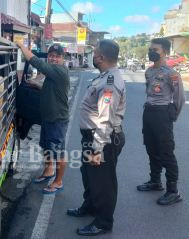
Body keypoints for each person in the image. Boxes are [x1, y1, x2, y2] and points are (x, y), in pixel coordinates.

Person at [67, 39, 126, 236]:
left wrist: (97, 148)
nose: (93, 55)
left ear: (100, 57)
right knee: (89, 176)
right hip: (91, 137)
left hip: (103, 140)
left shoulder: (110, 82)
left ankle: (103, 222)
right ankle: (90, 206)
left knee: (103, 183)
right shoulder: (103, 77)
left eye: (95, 52)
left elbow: (106, 118)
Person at [136, 38, 185, 205]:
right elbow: (149, 91)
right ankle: (155, 181)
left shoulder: (172, 74)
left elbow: (180, 98)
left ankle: (173, 191)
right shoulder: (148, 71)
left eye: (155, 50)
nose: (151, 52)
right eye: (150, 49)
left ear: (165, 52)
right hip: (148, 112)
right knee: (151, 148)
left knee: (166, 152)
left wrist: (172, 116)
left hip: (162, 115)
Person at [17, 43, 70, 194]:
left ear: (62, 59)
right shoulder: (53, 75)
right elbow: (52, 91)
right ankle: (49, 170)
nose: (53, 59)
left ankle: (58, 182)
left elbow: (36, 62)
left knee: (58, 151)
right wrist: (36, 85)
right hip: (47, 117)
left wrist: (21, 45)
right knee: (46, 146)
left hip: (57, 119)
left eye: (57, 56)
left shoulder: (59, 71)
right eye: (51, 55)